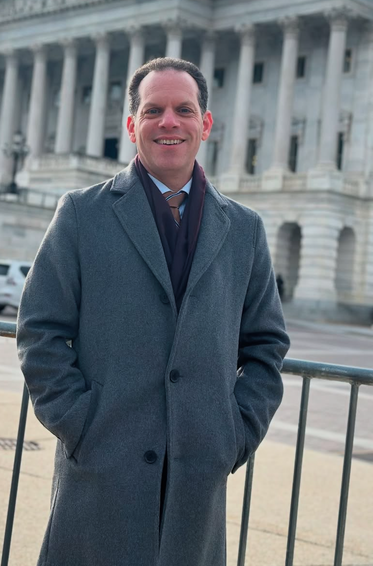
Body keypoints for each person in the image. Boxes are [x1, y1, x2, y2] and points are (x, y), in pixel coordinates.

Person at [16, 57, 290, 566]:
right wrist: (80, 423)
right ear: (131, 124)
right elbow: (40, 331)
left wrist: (234, 433)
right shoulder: (82, 212)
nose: (169, 122)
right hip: (103, 462)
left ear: (204, 124)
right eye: (153, 110)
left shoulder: (245, 229)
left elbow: (266, 345)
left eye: (184, 109)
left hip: (198, 470)